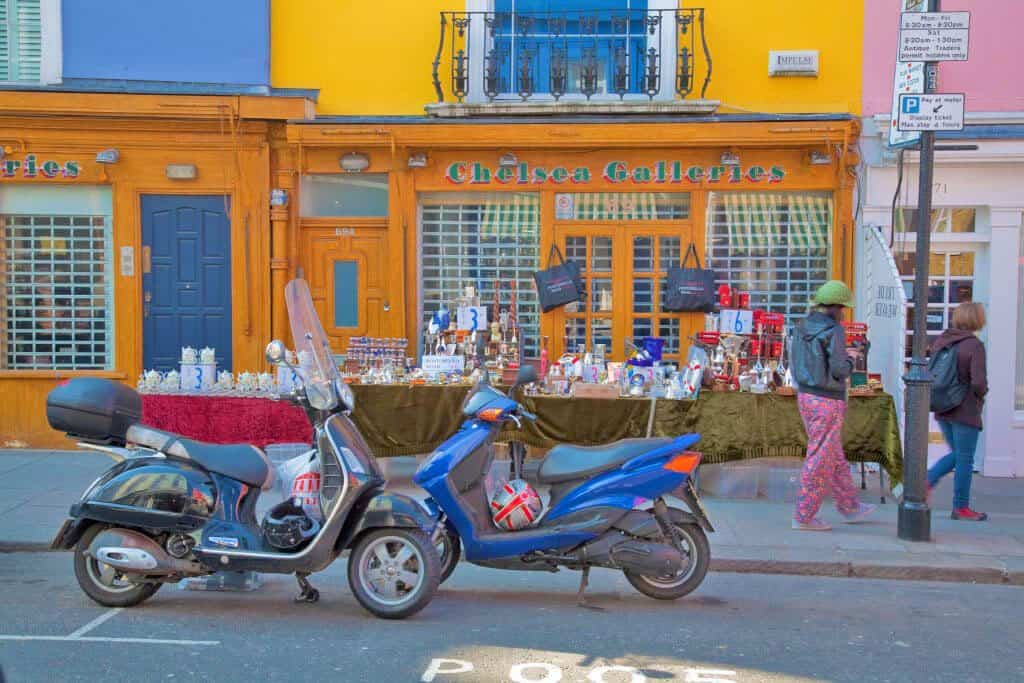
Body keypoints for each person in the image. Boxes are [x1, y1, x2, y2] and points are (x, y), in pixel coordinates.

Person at [790, 280, 875, 531]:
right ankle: (804, 516)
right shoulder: (835, 330)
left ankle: (850, 506)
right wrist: (853, 358)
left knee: (833, 454)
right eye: (843, 308)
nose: (844, 312)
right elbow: (839, 369)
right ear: (836, 307)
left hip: (806, 395)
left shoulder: (802, 326)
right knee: (820, 458)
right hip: (828, 399)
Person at [927, 302, 988, 521]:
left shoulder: (941, 341)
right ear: (977, 319)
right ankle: (960, 507)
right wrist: (980, 396)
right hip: (965, 409)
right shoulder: (974, 346)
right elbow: (979, 382)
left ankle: (926, 481)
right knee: (965, 458)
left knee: (957, 454)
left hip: (943, 406)